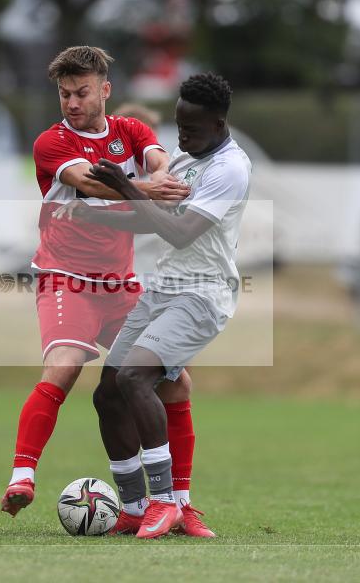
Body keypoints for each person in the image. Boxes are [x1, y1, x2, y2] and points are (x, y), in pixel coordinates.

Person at [1, 47, 214, 537]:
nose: (72, 102)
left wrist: (158, 178)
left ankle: (180, 504)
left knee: (175, 384)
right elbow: (90, 183)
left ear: (104, 90)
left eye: (81, 92)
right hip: (65, 277)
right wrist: (148, 190)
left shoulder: (131, 132)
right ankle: (22, 477)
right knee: (66, 364)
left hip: (120, 285)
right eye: (64, 94)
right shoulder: (50, 142)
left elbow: (159, 162)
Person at [71, 72, 251, 538]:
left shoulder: (230, 168)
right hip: (162, 289)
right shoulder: (186, 159)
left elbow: (180, 231)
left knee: (135, 378)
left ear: (218, 121)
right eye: (178, 125)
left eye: (191, 127)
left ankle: (166, 503)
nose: (183, 136)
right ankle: (132, 507)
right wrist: (91, 211)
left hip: (203, 293)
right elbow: (154, 221)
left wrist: (128, 186)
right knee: (107, 394)